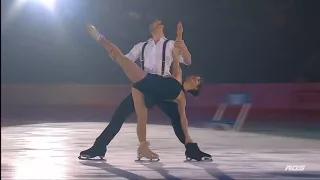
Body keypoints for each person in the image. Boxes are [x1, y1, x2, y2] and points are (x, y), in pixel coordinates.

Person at [79, 20, 211, 161]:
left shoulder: (171, 44)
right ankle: (99, 147)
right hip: (146, 85)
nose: (155, 23)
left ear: (162, 27)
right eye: (153, 22)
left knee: (178, 120)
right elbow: (126, 59)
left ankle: (192, 150)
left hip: (164, 86)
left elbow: (188, 60)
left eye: (158, 22)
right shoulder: (141, 46)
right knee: (119, 115)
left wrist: (183, 47)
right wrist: (113, 56)